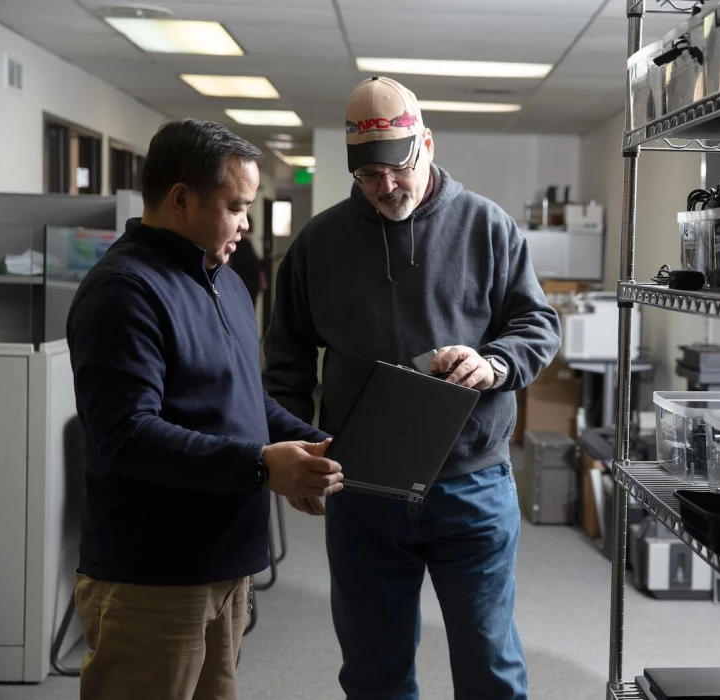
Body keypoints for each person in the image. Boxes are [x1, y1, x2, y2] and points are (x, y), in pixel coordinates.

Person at [262, 76, 561, 700]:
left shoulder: (488, 226)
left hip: (471, 485)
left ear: (426, 142)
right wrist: (296, 448)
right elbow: (285, 358)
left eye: (398, 169)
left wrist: (496, 363)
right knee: (375, 671)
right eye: (368, 177)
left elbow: (538, 324)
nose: (385, 188)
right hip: (362, 488)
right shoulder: (318, 243)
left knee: (490, 665)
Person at [66, 118, 345, 700]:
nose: (246, 223)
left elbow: (245, 398)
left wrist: (316, 443)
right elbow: (128, 434)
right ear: (181, 198)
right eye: (236, 206)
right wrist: (264, 467)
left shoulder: (225, 281)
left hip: (226, 563)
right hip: (154, 576)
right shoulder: (125, 290)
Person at [227, 214, 263, 309]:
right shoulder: (242, 243)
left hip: (246, 284)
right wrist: (262, 263)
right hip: (245, 284)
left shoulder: (245, 241)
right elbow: (248, 263)